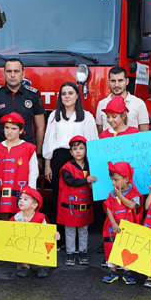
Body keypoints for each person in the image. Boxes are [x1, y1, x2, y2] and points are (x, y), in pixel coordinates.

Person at [0, 113, 39, 268]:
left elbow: (33, 172)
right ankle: (1, 254)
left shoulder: (29, 148)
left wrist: (31, 194)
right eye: (6, 128)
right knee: (2, 223)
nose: (9, 131)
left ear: (21, 130)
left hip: (21, 194)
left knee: (21, 223)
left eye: (13, 128)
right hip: (1, 194)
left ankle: (20, 257)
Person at [43, 82, 98, 229]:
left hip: (79, 160)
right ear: (60, 97)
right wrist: (47, 164)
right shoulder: (54, 116)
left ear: (77, 96)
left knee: (78, 195)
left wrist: (92, 166)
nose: (67, 96)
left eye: (70, 93)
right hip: (59, 158)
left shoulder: (87, 117)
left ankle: (79, 237)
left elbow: (92, 142)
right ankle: (60, 235)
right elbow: (49, 140)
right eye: (64, 93)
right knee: (59, 195)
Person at [0, 59, 46, 155]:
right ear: (4, 74)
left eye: (16, 71)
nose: (12, 75)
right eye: (9, 71)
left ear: (23, 74)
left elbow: (40, 126)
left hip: (27, 153)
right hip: (0, 152)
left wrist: (38, 155)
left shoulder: (33, 94)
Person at [6, 186, 60, 278]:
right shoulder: (17, 217)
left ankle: (41, 266)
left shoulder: (40, 217)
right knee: (19, 246)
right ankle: (25, 266)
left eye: (25, 199)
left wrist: (55, 235)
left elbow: (48, 232)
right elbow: (7, 229)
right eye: (20, 198)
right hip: (24, 242)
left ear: (34, 205)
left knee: (43, 247)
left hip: (38, 243)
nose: (21, 201)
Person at [58, 136, 96, 267]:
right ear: (70, 152)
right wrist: (87, 181)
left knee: (83, 229)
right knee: (69, 229)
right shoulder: (67, 167)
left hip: (84, 204)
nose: (78, 151)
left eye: (81, 148)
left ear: (86, 150)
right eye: (75, 149)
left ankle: (83, 251)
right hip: (71, 206)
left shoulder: (91, 165)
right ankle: (70, 253)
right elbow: (71, 181)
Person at [101, 162, 142, 285]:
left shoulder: (134, 194)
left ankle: (127, 271)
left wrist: (119, 195)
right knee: (111, 247)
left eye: (116, 180)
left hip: (128, 227)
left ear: (126, 179)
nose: (113, 183)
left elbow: (131, 205)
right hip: (113, 227)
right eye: (112, 180)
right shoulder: (111, 194)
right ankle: (112, 270)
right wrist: (113, 223)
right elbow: (108, 207)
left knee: (127, 248)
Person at [95, 66, 151, 133]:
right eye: (113, 81)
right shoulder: (102, 104)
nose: (116, 85)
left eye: (120, 80)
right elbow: (99, 132)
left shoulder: (139, 103)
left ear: (127, 81)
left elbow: (144, 134)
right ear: (108, 81)